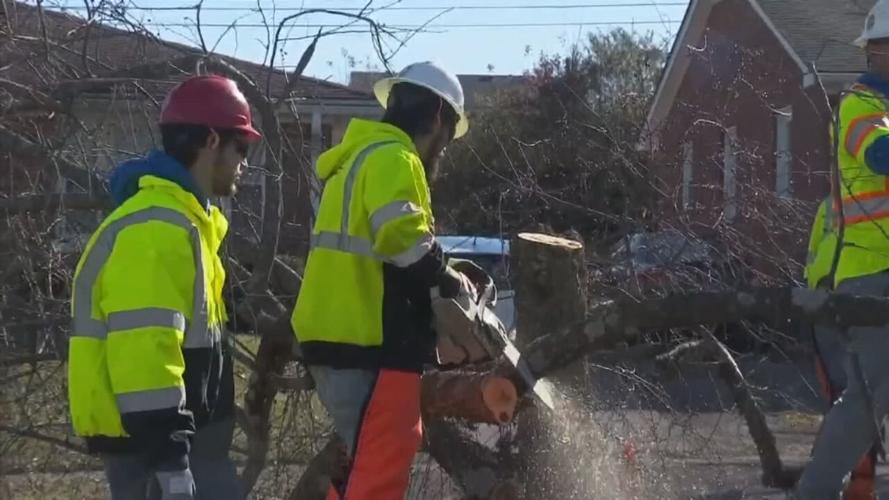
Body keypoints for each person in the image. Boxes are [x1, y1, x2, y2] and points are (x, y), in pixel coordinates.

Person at [68, 74, 261, 500]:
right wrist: (171, 465)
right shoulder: (158, 225)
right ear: (211, 141)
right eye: (240, 148)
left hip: (182, 448)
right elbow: (145, 355)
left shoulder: (184, 222)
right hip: (159, 455)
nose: (244, 163)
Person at [291, 61, 472, 500]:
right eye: (446, 136)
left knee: (360, 466)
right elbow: (403, 239)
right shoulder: (397, 158)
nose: (442, 148)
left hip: (335, 334)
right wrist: (448, 279)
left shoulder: (357, 159)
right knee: (380, 470)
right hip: (371, 339)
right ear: (436, 119)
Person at [795, 1, 889, 496]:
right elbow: (881, 154)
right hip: (871, 277)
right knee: (870, 396)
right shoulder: (859, 105)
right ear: (876, 51)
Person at [804, 198, 877, 499]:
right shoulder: (857, 203)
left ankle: (854, 481)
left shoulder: (829, 205)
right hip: (845, 300)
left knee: (850, 396)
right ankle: (857, 482)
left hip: (827, 300)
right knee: (858, 395)